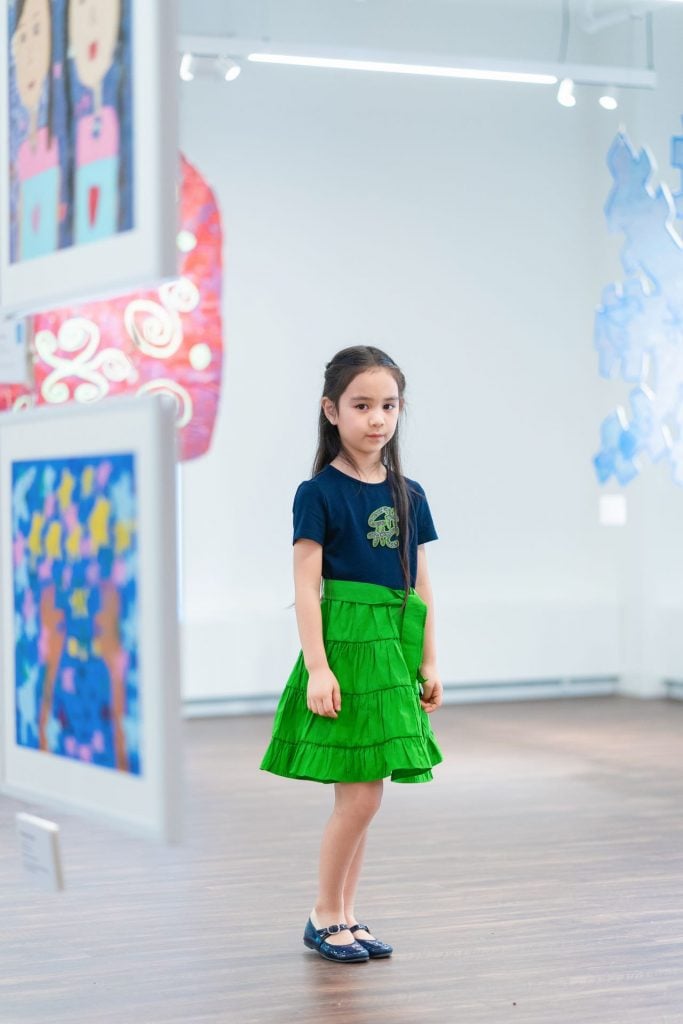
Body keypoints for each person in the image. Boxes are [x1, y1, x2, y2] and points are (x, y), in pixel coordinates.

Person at [260, 345, 443, 964]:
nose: (377, 419)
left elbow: (418, 587)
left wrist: (428, 661)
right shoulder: (318, 492)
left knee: (369, 790)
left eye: (388, 405)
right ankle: (323, 915)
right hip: (344, 647)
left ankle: (345, 914)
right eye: (362, 405)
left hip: (390, 647)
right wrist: (316, 665)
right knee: (359, 792)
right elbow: (306, 586)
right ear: (331, 410)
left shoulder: (409, 492)